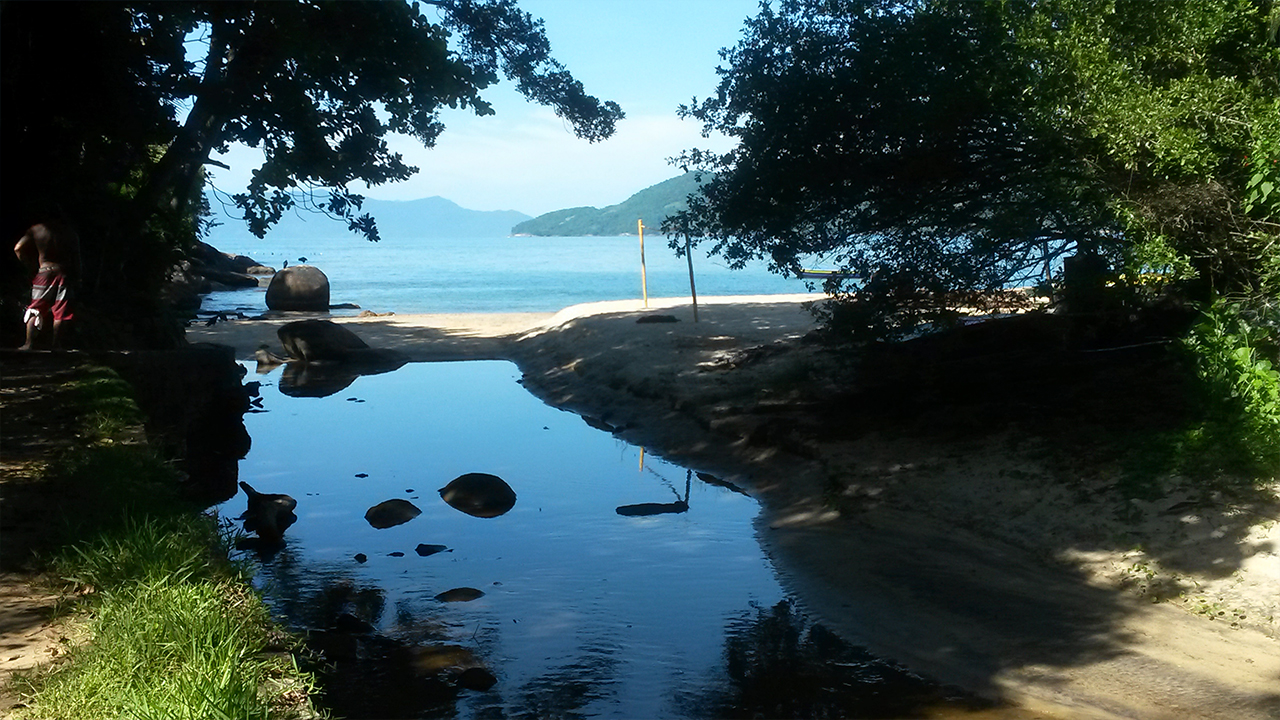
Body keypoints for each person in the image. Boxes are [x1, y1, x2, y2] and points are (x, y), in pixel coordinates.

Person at [14, 221, 80, 350]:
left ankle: (28, 344)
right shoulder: (70, 233)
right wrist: (78, 277)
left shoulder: (36, 229)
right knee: (61, 310)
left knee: (35, 308)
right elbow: (77, 258)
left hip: (44, 271)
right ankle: (56, 345)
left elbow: (18, 248)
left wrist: (30, 266)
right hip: (63, 273)